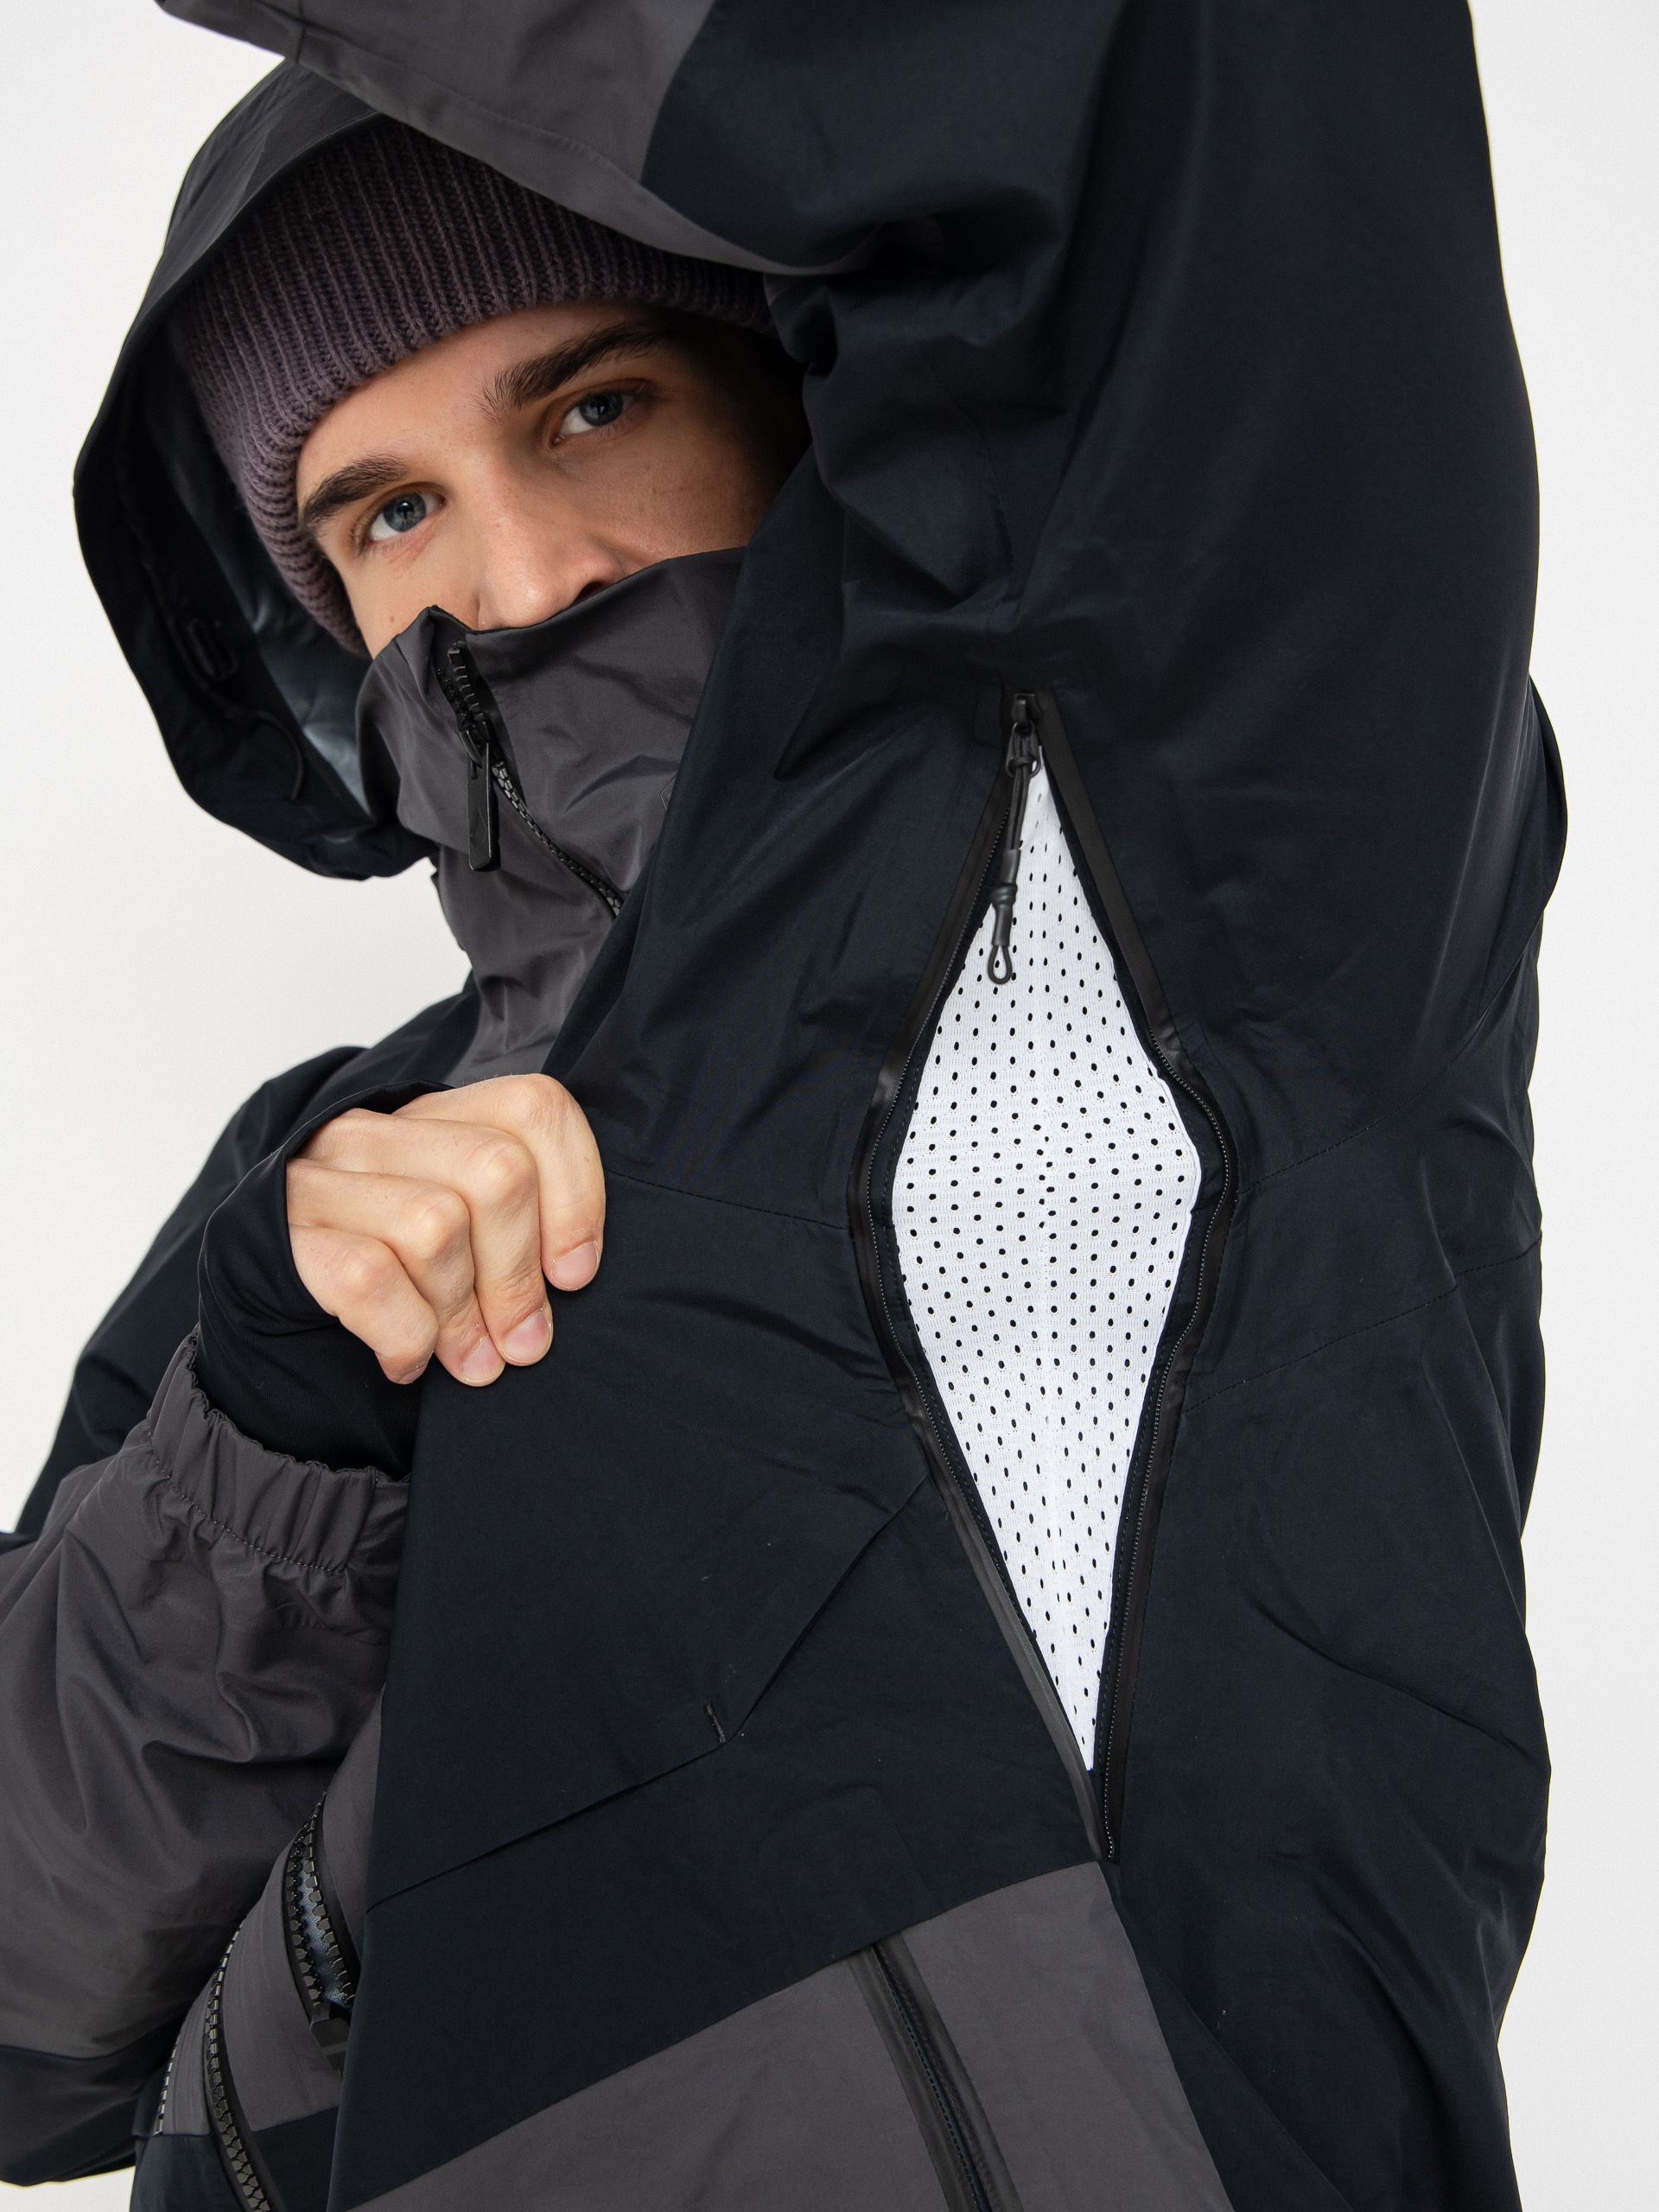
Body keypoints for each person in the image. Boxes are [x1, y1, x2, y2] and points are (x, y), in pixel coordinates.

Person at [0, 9, 1560, 2212]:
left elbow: (1196, 74)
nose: (520, 576)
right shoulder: (323, 1168)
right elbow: (25, 2030)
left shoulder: (1179, 849)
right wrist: (271, 1438)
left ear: (782, 379)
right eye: (392, 508)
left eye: (595, 404)